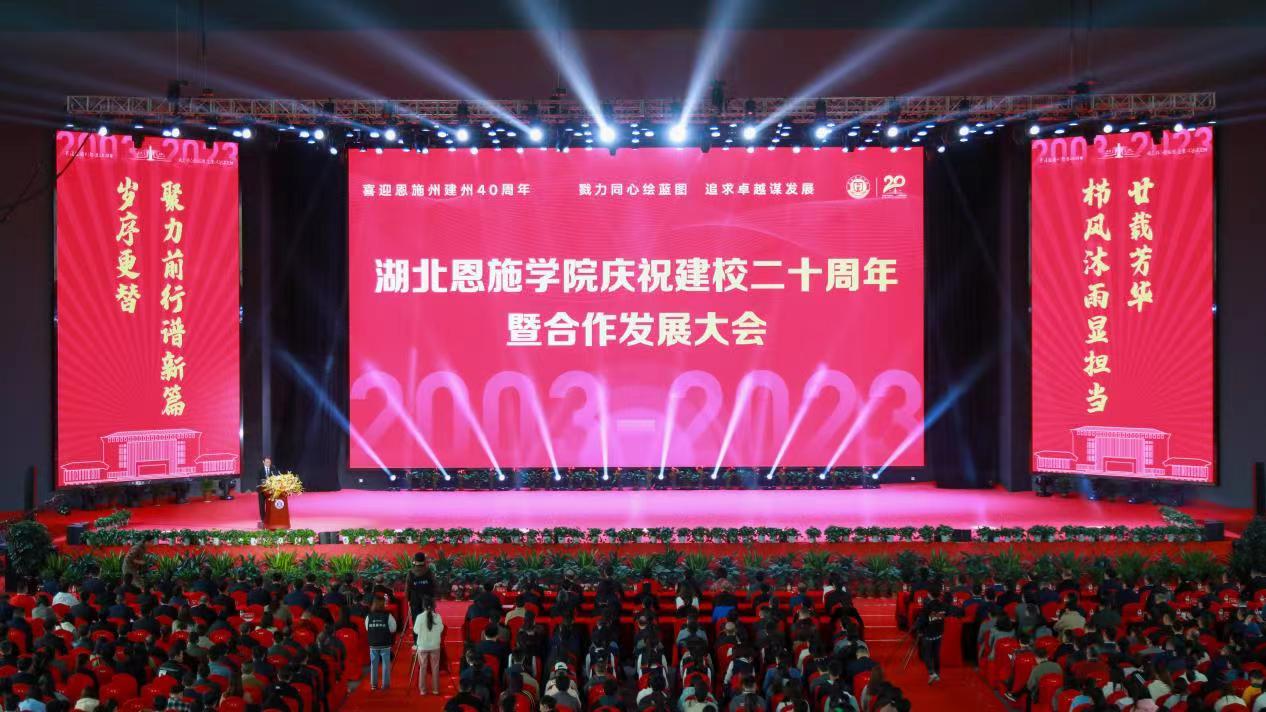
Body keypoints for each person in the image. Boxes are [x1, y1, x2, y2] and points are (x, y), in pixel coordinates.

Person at [365, 595, 397, 690]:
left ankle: (374, 685)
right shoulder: (388, 616)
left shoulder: (369, 616)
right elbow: (393, 629)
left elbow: (367, 628)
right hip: (385, 643)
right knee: (386, 664)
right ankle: (385, 685)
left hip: (373, 643)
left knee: (373, 664)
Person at [414, 597, 445, 694]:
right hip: (435, 646)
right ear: (434, 606)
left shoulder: (419, 617)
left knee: (423, 668)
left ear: (423, 606)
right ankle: (436, 689)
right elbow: (441, 629)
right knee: (435, 668)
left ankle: (423, 690)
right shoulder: (438, 617)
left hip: (423, 646)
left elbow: (416, 630)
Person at [913, 601, 945, 684]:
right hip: (938, 635)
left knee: (927, 655)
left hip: (928, 636)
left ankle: (932, 673)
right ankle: (937, 673)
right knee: (936, 654)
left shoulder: (926, 609)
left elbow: (921, 622)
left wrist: (917, 628)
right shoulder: (942, 607)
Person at [257, 456, 276, 523]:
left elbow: (276, 477)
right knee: (262, 504)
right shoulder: (260, 469)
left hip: (271, 490)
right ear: (263, 462)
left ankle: (271, 517)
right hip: (262, 490)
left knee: (271, 504)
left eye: (269, 462)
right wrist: (263, 483)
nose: (268, 463)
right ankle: (263, 519)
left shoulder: (273, 468)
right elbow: (257, 479)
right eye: (267, 462)